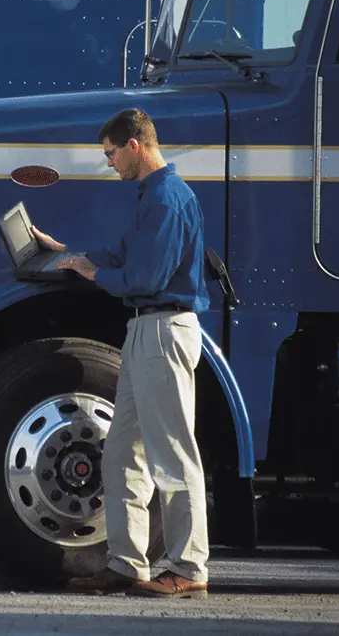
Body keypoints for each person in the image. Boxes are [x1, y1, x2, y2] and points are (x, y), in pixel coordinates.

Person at [30, 108, 211, 599]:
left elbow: (143, 279)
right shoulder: (153, 196)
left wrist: (92, 275)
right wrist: (68, 253)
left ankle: (189, 568)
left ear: (134, 146)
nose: (108, 164)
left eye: (110, 154)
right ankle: (128, 564)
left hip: (162, 331)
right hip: (146, 331)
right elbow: (125, 258)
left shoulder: (168, 200)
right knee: (122, 454)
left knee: (172, 454)